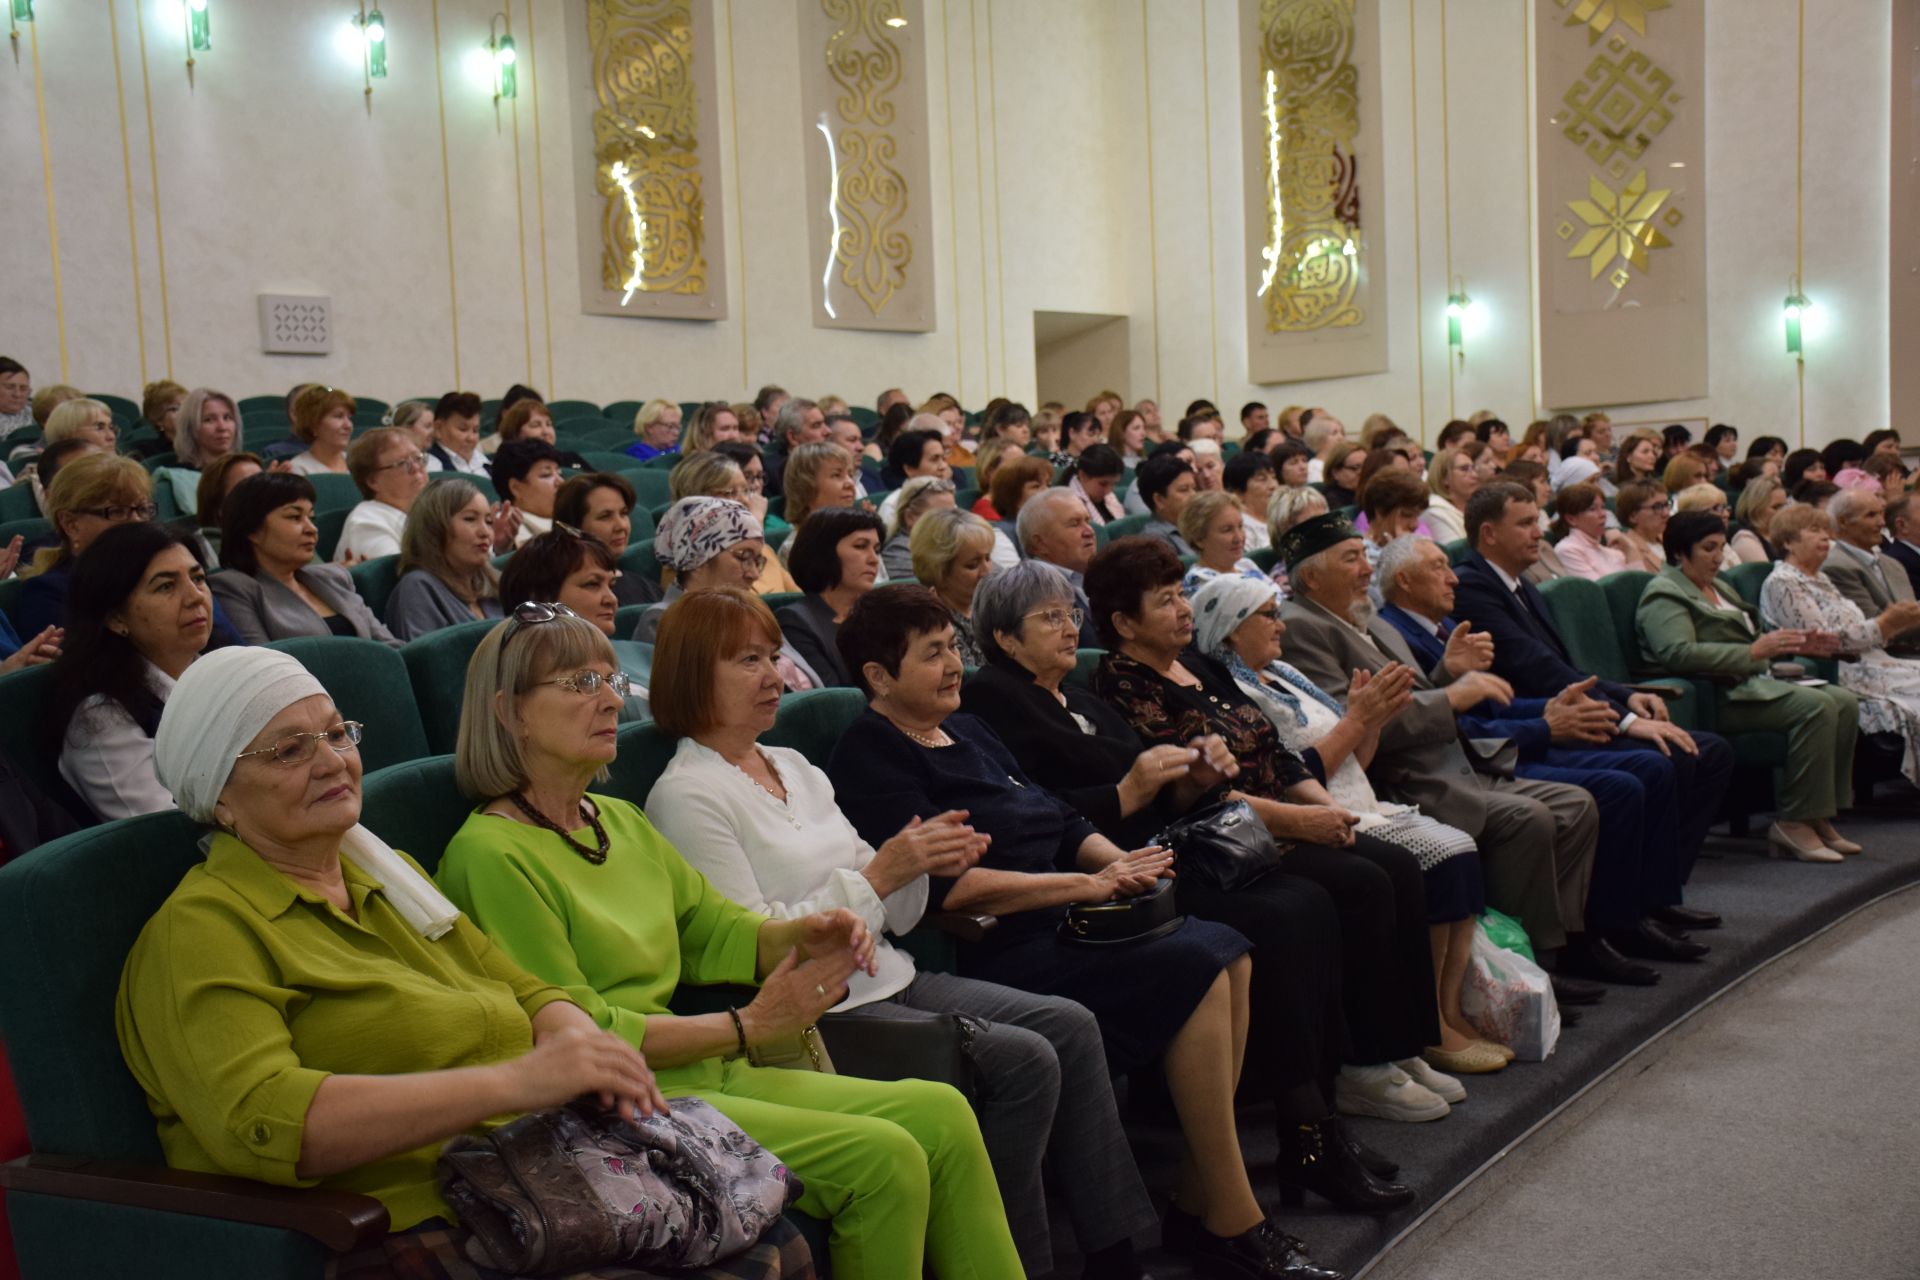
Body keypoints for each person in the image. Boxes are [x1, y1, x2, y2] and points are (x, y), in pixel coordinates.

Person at [112, 647, 815, 1275]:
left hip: (526, 1180)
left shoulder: (389, 878)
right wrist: (517, 1082)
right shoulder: (200, 932)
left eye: (335, 733)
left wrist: (577, 1038)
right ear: (220, 796)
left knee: (770, 1240)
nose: (332, 760)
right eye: (289, 750)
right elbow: (268, 1123)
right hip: (389, 1225)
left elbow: (525, 989)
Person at [432, 607, 1021, 1279]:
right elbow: (577, 1037)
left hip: (698, 1074)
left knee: (942, 1111)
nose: (608, 697)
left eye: (607, 677)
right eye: (575, 682)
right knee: (883, 1155)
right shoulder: (491, 854)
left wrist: (805, 931)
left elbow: (718, 930)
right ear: (509, 713)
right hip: (614, 1107)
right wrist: (747, 1025)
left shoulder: (616, 819)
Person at [642, 589, 1159, 1277]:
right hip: (816, 1014)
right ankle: (1018, 1263)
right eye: (748, 661)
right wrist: (883, 877)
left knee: (1069, 1024)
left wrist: (921, 863)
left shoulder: (793, 766)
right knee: (1024, 1059)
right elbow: (755, 945)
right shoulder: (687, 794)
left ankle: (1115, 1250)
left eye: (773, 656)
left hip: (889, 973)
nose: (775, 677)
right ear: (691, 674)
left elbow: (896, 905)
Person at [826, 586, 1337, 1280]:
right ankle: (1228, 1215)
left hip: (1069, 915)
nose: (953, 667)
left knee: (1228, 954)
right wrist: (1087, 885)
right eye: (931, 655)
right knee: (1202, 962)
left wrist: (1118, 863)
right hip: (1004, 941)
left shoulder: (969, 729)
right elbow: (951, 888)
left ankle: (1206, 1198)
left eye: (952, 648)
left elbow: (1057, 818)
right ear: (878, 677)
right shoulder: (871, 754)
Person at [963, 561, 1450, 1197]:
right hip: (1107, 872)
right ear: (1003, 637)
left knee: (1308, 903)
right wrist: (1129, 790)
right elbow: (1042, 810)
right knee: (1283, 916)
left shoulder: (1077, 697)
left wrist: (1192, 776)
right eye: (1049, 617)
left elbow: (1162, 792)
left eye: (1069, 613)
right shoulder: (995, 700)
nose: (1067, 627)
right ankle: (1306, 1131)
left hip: (1160, 849)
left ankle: (1319, 1121)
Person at [1272, 517, 1631, 987]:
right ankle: (1522, 970)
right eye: (1351, 558)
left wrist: (1444, 674)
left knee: (1578, 804)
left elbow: (1404, 696)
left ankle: (1551, 946)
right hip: (1403, 776)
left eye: (1365, 555)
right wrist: (1453, 695)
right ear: (1312, 576)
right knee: (1532, 819)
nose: (1366, 568)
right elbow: (1353, 720)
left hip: (1450, 760)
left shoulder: (1360, 618)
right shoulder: (1304, 627)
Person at [1187, 571, 1508, 1071]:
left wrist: (1370, 721)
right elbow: (1296, 772)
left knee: (1460, 847)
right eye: (1267, 616)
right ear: (1230, 629)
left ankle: (1445, 1013)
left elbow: (1358, 758)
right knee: (1436, 856)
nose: (1281, 626)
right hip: (1314, 807)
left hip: (1356, 796)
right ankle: (1416, 1031)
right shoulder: (1237, 694)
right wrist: (1358, 721)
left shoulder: (1285, 674)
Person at [1449, 484, 1735, 909]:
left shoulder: (1520, 585)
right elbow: (1537, 669)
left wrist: (1625, 696)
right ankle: (1628, 909)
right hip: (1535, 725)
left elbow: (1565, 666)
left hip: (1570, 711)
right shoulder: (1474, 586)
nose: (1539, 533)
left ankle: (1659, 894)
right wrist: (1626, 720)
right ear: (1489, 534)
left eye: (1537, 521)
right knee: (1665, 760)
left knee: (1709, 752)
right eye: (1525, 524)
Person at [1636, 511, 1862, 861]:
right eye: (1708, 548)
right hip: (1719, 696)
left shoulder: (1719, 586)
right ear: (1680, 552)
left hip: (1755, 684)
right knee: (1817, 707)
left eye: (1721, 547)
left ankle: (1819, 813)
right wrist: (1752, 652)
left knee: (1845, 701)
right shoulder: (1664, 592)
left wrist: (1794, 644)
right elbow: (1676, 653)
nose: (1717, 557)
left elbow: (1756, 640)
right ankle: (1793, 821)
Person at [44, 524, 213, 821]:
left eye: (198, 578)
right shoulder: (101, 719)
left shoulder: (221, 670)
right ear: (115, 617)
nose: (195, 596)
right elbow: (170, 834)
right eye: (166, 586)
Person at [1760, 504, 1920, 786]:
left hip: (1873, 660)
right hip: (1838, 671)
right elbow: (1825, 641)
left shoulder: (1821, 578)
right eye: (1813, 530)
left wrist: (1887, 626)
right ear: (1787, 542)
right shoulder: (1783, 582)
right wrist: (1885, 623)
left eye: (1826, 530)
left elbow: (1853, 631)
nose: (1825, 538)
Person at [211, 473, 398, 646]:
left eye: (311, 518)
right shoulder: (233, 589)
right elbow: (265, 667)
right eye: (294, 517)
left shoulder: (335, 578)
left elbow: (390, 646)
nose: (312, 529)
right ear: (252, 530)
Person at [499, 532, 652, 722]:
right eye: (592, 584)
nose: (612, 599)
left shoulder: (646, 653)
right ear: (541, 597)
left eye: (611, 585)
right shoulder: (532, 676)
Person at [385, 478, 505, 640]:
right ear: (434, 528)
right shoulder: (418, 588)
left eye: (489, 521)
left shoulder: (493, 582)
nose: (485, 532)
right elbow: (430, 662)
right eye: (470, 519)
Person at [776, 508, 884, 687]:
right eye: (860, 546)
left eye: (876, 549)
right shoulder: (796, 621)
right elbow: (835, 700)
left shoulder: (883, 611)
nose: (874, 559)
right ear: (824, 553)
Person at [1819, 486, 1920, 657]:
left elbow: (1911, 619)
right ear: (1843, 522)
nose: (1881, 522)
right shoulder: (1836, 566)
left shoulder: (1892, 564)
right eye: (1871, 515)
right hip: (1882, 658)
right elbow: (1877, 629)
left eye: (1881, 513)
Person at [553, 471, 664, 606]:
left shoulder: (648, 588)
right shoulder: (558, 593)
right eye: (605, 516)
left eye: (623, 514)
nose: (621, 526)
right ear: (572, 526)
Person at [1015, 486, 1104, 648]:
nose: (1089, 531)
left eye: (1087, 521)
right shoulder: (1034, 591)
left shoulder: (1102, 576)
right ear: (1040, 544)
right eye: (1074, 524)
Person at [907, 507, 995, 667]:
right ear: (939, 571)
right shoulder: (934, 624)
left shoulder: (995, 606)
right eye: (972, 565)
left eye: (988, 558)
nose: (986, 571)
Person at [333, 428, 429, 563]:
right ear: (373, 481)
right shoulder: (366, 523)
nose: (416, 467)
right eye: (402, 463)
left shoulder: (429, 510)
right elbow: (400, 575)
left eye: (418, 458)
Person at [154, 388, 243, 515]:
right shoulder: (178, 478)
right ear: (190, 428)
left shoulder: (246, 470)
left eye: (227, 417)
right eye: (209, 420)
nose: (222, 427)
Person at [878, 475, 957, 581]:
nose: (951, 522)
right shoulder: (898, 552)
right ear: (910, 517)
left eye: (954, 514)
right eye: (941, 516)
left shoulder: (953, 543)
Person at [490, 438, 564, 547]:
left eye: (559, 473)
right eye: (546, 475)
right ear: (516, 488)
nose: (561, 482)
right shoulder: (509, 532)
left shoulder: (568, 522)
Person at [1181, 490, 1266, 585]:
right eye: (1227, 530)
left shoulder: (1246, 565)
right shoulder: (1200, 580)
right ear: (1199, 539)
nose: (1239, 538)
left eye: (1240, 526)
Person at [781, 441, 861, 540]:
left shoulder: (855, 533)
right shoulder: (798, 548)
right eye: (836, 475)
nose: (850, 483)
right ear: (806, 486)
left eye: (850, 474)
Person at [1551, 482, 1626, 580]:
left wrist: (1630, 547)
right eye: (1592, 509)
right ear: (1571, 519)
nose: (1603, 514)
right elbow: (1596, 590)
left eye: (1603, 507)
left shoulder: (1613, 553)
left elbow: (1638, 586)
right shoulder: (1567, 550)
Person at [763, 399, 828, 499]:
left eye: (825, 423)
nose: (828, 431)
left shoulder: (830, 462)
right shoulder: (773, 472)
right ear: (793, 437)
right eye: (816, 426)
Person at [1135, 452, 1199, 555]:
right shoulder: (1154, 542)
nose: (1194, 495)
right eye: (1184, 490)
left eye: (1194, 488)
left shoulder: (1196, 526)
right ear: (1159, 500)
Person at [285, 386, 355, 477]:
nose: (348, 425)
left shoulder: (357, 464)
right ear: (313, 424)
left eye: (349, 417)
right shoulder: (299, 469)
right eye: (338, 416)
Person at [1421, 445, 1478, 543]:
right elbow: (1455, 555)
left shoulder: (1474, 507)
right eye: (1464, 469)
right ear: (1444, 478)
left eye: (1473, 468)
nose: (1474, 475)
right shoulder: (1434, 512)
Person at [1613, 480, 1670, 574]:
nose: (1666, 513)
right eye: (1657, 507)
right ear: (1633, 516)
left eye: (1666, 504)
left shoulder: (1671, 540)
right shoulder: (1625, 550)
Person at [427, 391, 489, 476]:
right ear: (438, 428)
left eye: (475, 430)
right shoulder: (431, 465)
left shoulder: (482, 460)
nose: (471, 438)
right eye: (463, 429)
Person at [1731, 475, 1787, 563]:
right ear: (1756, 509)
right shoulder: (1745, 540)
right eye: (1776, 507)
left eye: (1784, 506)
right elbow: (1765, 574)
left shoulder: (1784, 533)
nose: (1783, 512)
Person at [1067, 443, 1128, 525]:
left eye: (1114, 484)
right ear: (1083, 475)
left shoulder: (1108, 496)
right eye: (1103, 484)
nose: (1109, 491)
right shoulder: (1068, 505)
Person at [623, 398, 684, 462]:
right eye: (670, 426)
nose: (676, 433)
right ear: (649, 427)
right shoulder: (636, 454)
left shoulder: (681, 451)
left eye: (678, 427)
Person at [1318, 443, 1367, 511]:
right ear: (1335, 473)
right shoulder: (1331, 501)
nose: (1362, 472)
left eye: (1366, 466)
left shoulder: (1369, 493)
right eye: (1355, 468)